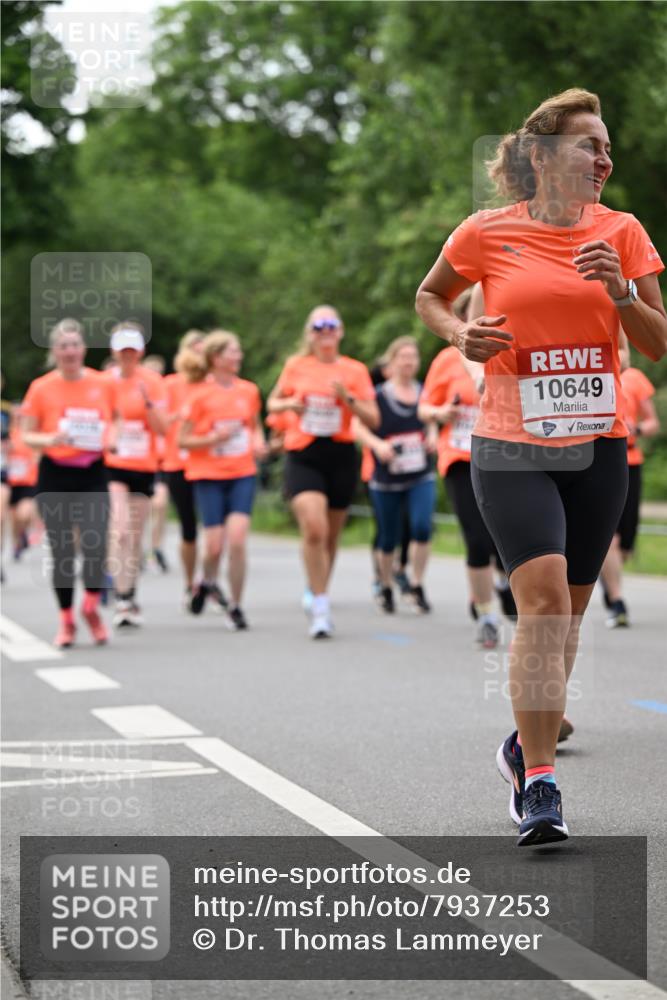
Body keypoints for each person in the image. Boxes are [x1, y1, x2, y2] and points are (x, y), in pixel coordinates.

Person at [415, 88, 666, 846]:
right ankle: (542, 784)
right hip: (510, 442)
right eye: (590, 144)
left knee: (568, 619)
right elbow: (430, 296)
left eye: (607, 147)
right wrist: (458, 334)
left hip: (596, 446)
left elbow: (655, 343)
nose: (604, 158)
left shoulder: (622, 231)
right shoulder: (487, 232)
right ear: (542, 155)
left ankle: (524, 745)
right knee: (545, 601)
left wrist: (620, 292)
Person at [267, 305, 378, 638]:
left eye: (331, 325)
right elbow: (272, 403)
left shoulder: (355, 370)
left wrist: (347, 399)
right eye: (319, 326)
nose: (325, 330)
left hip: (341, 455)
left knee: (330, 536)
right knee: (314, 528)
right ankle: (320, 607)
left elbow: (374, 419)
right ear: (310, 333)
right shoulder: (296, 366)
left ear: (340, 331)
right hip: (304, 453)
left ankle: (317, 588)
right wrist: (290, 405)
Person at [420, 292, 509, 647]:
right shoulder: (446, 360)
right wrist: (441, 414)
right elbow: (424, 408)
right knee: (476, 538)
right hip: (460, 457)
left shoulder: (508, 347)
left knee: (505, 538)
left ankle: (504, 583)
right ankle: (486, 615)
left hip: (505, 455)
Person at [21, 319, 112, 647]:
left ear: (83, 348)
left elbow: (118, 420)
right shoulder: (41, 388)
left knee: (95, 542)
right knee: (61, 550)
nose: (70, 351)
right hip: (55, 472)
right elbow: (26, 435)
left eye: (75, 345)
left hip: (92, 471)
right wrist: (50, 438)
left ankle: (91, 605)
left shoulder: (103, 383)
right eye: (63, 346)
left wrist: (112, 437)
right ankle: (66, 620)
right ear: (54, 351)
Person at [178, 330, 265, 630]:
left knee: (237, 539)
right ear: (216, 358)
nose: (239, 356)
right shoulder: (199, 395)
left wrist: (258, 442)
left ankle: (236, 606)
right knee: (214, 546)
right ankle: (207, 580)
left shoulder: (248, 391)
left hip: (242, 472)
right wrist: (213, 439)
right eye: (233, 351)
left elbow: (254, 426)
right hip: (209, 475)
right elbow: (182, 440)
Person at [355, 336, 437, 613]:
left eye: (412, 357)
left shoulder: (425, 392)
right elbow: (357, 427)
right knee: (388, 536)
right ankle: (386, 585)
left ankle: (416, 584)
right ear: (391, 362)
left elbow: (431, 420)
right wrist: (378, 445)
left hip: (420, 473)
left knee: (422, 527)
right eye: (402, 357)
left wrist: (432, 436)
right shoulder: (378, 395)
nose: (408, 362)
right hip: (386, 478)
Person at [103, 323, 168, 627]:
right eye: (122, 351)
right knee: (121, 531)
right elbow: (102, 419)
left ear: (140, 351)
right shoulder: (104, 382)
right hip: (113, 464)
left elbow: (163, 428)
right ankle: (121, 598)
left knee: (136, 535)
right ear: (114, 352)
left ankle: (129, 595)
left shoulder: (153, 382)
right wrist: (111, 436)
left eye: (132, 350)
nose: (127, 356)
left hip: (143, 465)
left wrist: (148, 404)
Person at [599, 345, 659, 627]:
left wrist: (639, 429)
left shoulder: (635, 379)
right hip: (600, 459)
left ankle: (607, 577)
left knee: (626, 543)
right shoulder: (592, 377)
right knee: (609, 538)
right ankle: (618, 600)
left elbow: (653, 422)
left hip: (631, 461)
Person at [163, 330, 206, 608]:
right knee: (188, 527)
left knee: (215, 528)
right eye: (194, 350)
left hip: (210, 464)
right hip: (177, 462)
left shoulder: (213, 384)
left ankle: (209, 583)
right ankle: (190, 584)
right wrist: (178, 416)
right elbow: (157, 421)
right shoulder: (169, 385)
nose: (199, 357)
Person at [142, 354, 170, 573]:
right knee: (139, 510)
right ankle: (137, 549)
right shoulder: (133, 397)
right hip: (138, 461)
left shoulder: (166, 398)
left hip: (161, 462)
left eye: (158, 373)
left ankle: (155, 548)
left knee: (159, 505)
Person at [7, 404, 40, 560]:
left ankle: (23, 534)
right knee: (14, 519)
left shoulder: (30, 435)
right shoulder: (7, 434)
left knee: (23, 514)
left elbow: (39, 455)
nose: (19, 418)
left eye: (21, 416)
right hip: (10, 482)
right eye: (16, 416)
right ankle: (17, 544)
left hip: (28, 482)